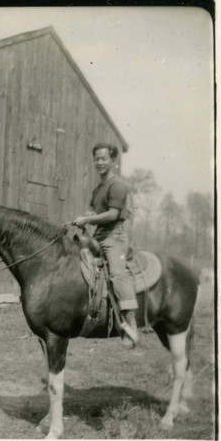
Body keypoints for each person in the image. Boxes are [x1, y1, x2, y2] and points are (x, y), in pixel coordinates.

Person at [73, 142, 139, 349]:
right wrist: (90, 216)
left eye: (103, 158)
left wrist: (87, 220)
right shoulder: (97, 189)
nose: (99, 162)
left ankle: (130, 321)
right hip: (99, 235)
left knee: (116, 274)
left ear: (113, 161)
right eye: (96, 158)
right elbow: (99, 213)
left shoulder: (117, 185)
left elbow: (113, 214)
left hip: (114, 237)